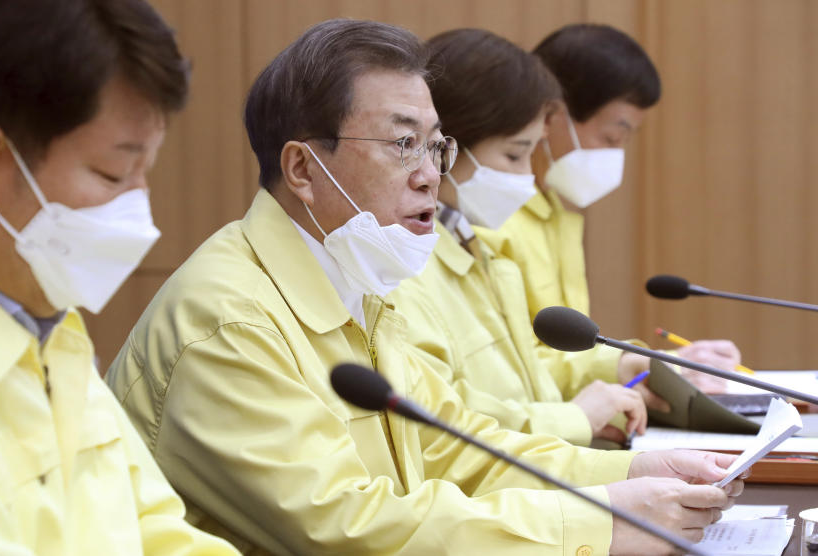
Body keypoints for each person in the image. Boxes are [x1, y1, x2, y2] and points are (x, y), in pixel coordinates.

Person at [107, 18, 742, 556]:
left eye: (435, 147)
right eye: (402, 144)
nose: (429, 177)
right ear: (303, 167)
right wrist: (603, 521)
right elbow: (348, 529)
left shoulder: (357, 279)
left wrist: (629, 471)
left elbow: (456, 450)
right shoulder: (230, 319)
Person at [0, 1, 238, 554]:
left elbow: (161, 535)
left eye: (145, 173)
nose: (140, 208)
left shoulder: (36, 314)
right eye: (113, 173)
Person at [390, 28, 650, 446]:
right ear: (444, 146)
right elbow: (441, 425)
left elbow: (528, 382)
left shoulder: (478, 248)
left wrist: (591, 405)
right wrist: (572, 419)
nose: (528, 177)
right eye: (514, 154)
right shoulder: (403, 267)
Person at [481, 23, 741, 394]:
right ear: (550, 115)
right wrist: (638, 365)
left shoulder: (553, 213)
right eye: (611, 137)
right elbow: (511, 371)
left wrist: (663, 368)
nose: (615, 153)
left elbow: (563, 356)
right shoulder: (491, 219)